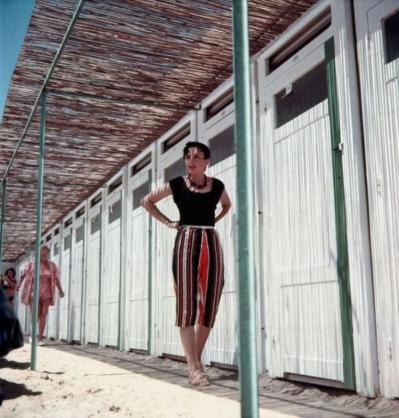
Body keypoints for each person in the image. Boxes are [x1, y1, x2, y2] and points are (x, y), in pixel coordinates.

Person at [141, 141, 232, 386]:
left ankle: (195, 360)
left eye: (196, 156)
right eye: (187, 156)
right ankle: (193, 367)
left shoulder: (218, 185)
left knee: (211, 301)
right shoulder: (178, 184)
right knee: (186, 303)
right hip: (186, 241)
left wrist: (215, 219)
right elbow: (146, 201)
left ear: (206, 161)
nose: (190, 160)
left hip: (211, 240)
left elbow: (227, 204)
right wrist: (169, 222)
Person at [18, 245, 64, 345]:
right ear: (38, 253)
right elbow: (23, 274)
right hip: (33, 292)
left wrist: (60, 290)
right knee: (36, 314)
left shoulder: (52, 265)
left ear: (48, 253)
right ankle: (32, 335)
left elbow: (55, 279)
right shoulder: (32, 264)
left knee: (43, 314)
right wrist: (19, 285)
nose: (44, 254)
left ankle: (40, 339)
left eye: (45, 253)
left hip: (47, 292)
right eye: (42, 252)